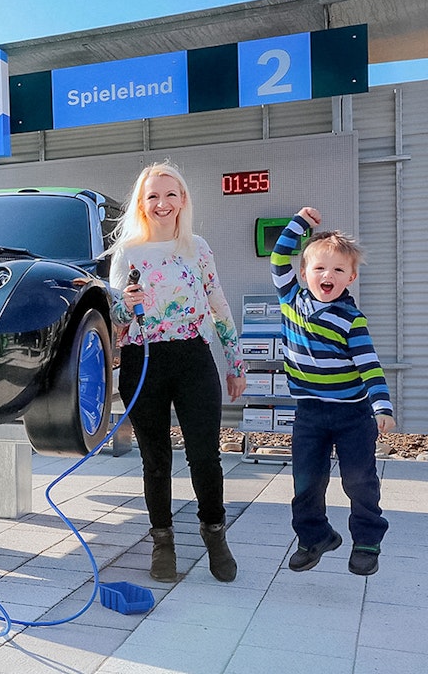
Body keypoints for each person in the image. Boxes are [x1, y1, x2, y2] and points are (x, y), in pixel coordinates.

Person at [109, 160, 245, 583]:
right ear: (141, 203)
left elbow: (218, 305)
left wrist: (234, 363)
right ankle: (162, 539)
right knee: (155, 459)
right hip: (143, 359)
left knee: (205, 454)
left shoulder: (197, 247)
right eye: (153, 196)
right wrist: (124, 303)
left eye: (171, 194)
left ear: (183, 200)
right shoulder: (127, 252)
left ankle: (214, 533)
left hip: (192, 356)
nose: (162, 203)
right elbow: (114, 319)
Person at [272, 208, 394, 576]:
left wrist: (382, 406)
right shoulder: (290, 299)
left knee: (359, 480)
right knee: (306, 481)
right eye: (320, 268)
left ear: (351, 277)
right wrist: (300, 224)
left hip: (352, 414)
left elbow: (369, 365)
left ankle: (368, 540)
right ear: (305, 272)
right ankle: (314, 537)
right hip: (309, 412)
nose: (328, 275)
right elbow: (279, 256)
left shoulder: (350, 319)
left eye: (339, 270)